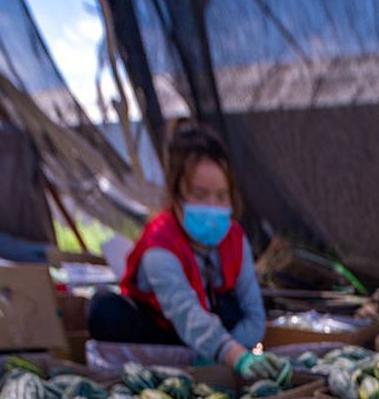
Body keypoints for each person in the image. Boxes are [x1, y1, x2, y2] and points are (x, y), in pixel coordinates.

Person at [88, 122, 272, 377]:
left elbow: (254, 316)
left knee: (233, 309)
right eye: (200, 194)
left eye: (221, 196)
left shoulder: (236, 240)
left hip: (217, 345)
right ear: (176, 197)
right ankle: (162, 372)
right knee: (105, 309)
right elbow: (186, 314)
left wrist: (225, 351)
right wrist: (237, 357)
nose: (212, 206)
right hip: (166, 337)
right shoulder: (159, 245)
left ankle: (211, 358)